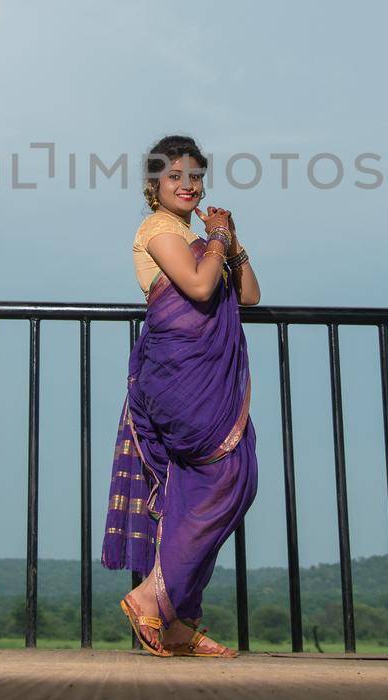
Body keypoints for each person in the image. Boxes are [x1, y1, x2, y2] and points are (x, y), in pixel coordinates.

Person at [101, 134, 261, 657]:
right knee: (221, 477)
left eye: (195, 176)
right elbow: (196, 287)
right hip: (177, 377)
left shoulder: (202, 238)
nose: (187, 185)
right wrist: (215, 239)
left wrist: (230, 243)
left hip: (208, 378)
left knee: (221, 484)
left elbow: (250, 295)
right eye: (175, 176)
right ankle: (151, 598)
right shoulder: (159, 229)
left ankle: (176, 620)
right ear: (154, 186)